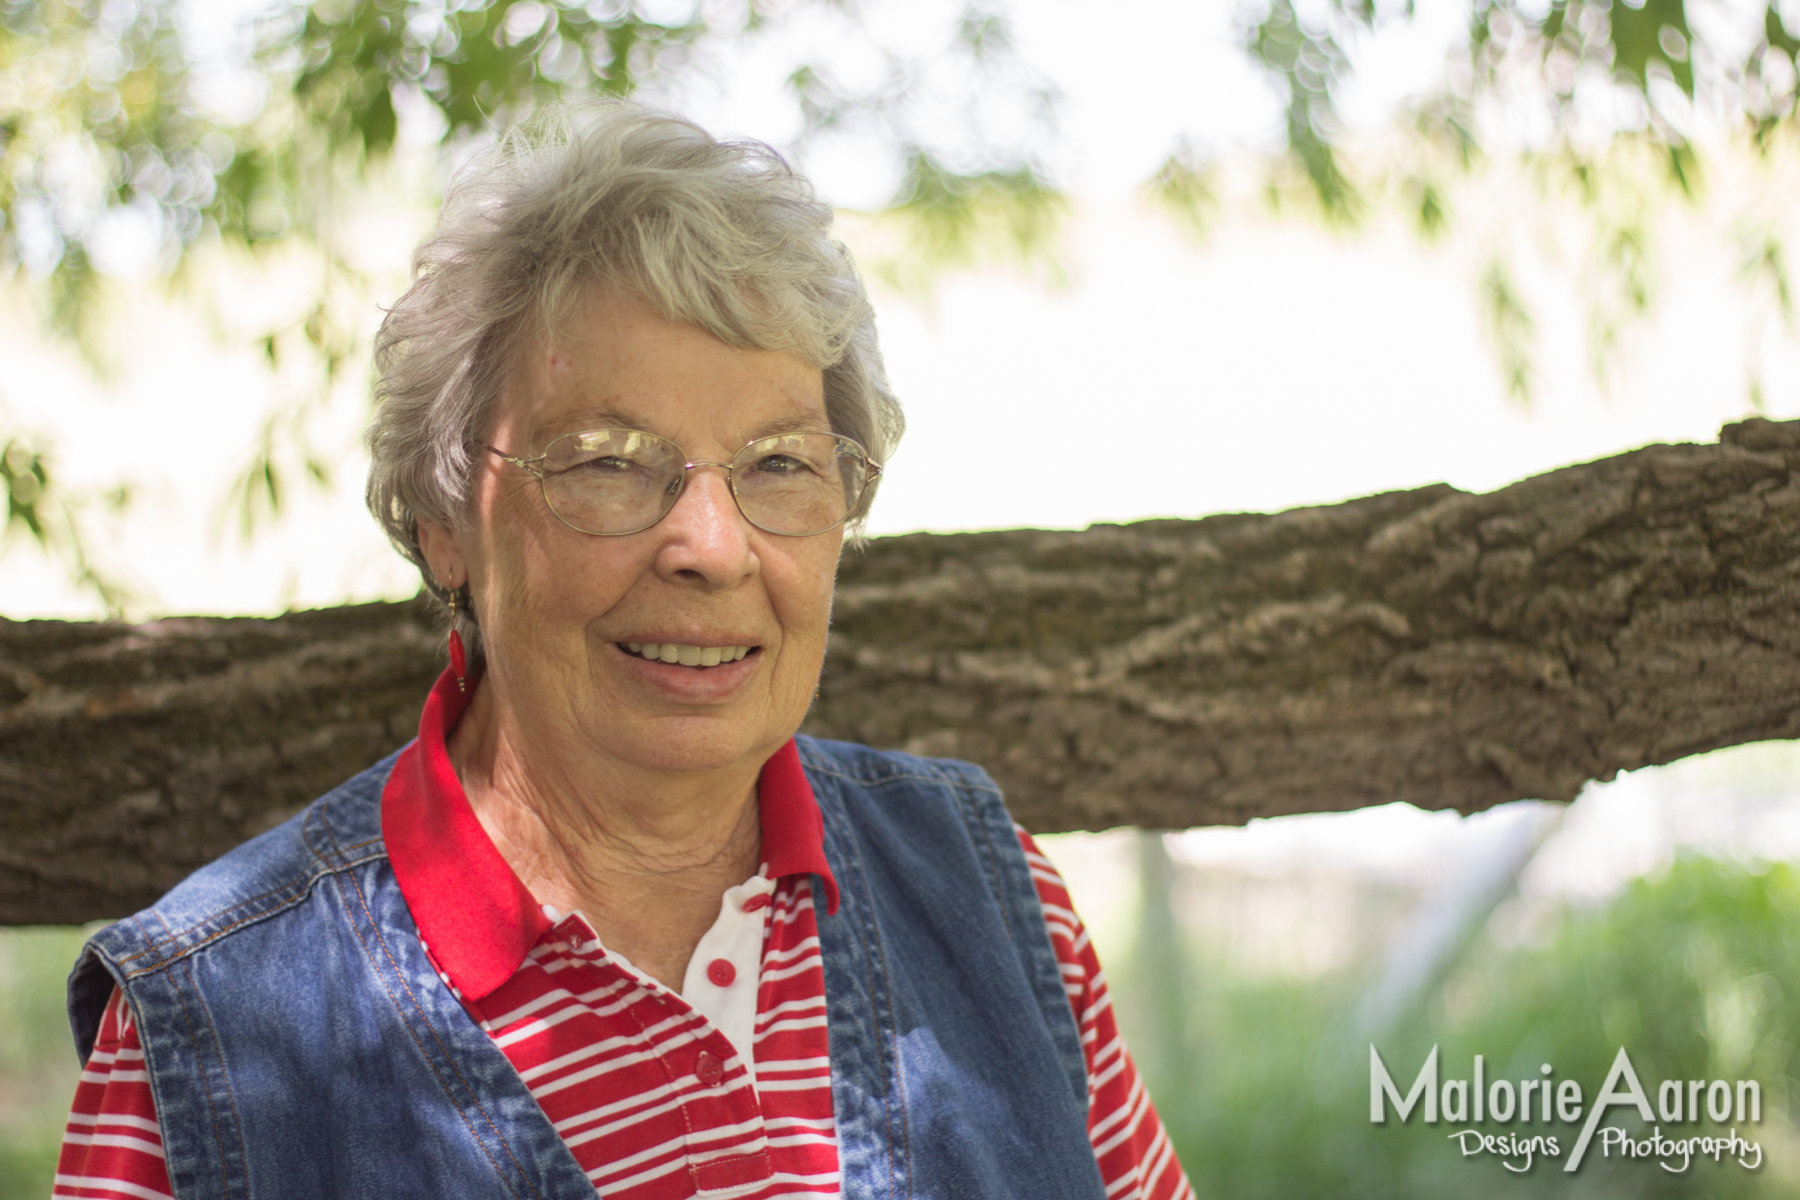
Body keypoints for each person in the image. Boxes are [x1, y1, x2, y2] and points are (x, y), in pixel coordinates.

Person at [57, 102, 1193, 1200]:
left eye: (780, 464)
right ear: (447, 520)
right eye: (606, 460)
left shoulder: (992, 901)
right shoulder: (201, 1047)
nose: (711, 545)